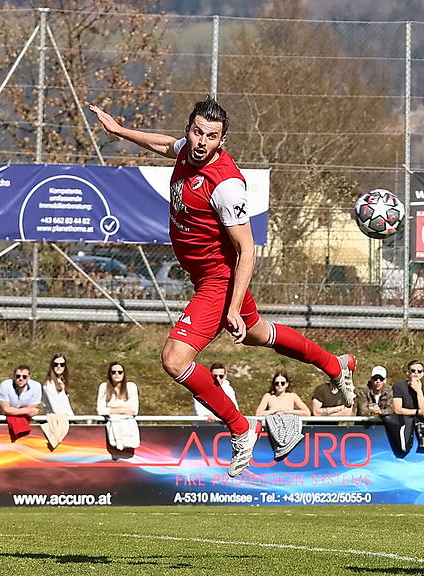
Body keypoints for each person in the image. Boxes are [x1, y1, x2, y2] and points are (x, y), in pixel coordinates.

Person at [90, 96, 355, 477]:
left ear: (222, 140)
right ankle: (335, 363)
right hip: (206, 277)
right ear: (189, 130)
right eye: (197, 132)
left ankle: (241, 427)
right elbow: (165, 145)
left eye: (211, 136)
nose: (201, 141)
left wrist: (230, 307)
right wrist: (118, 130)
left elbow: (247, 249)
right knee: (259, 332)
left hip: (218, 280)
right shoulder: (186, 151)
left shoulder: (226, 186)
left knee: (174, 359)